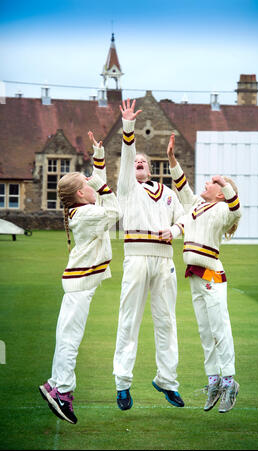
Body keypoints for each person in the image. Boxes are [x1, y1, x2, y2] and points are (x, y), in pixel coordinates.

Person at [39, 135, 121, 424]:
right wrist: (102, 185)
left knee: (66, 335)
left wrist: (98, 154)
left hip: (79, 281)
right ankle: (62, 390)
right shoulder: (86, 213)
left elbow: (98, 186)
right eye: (87, 185)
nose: (92, 186)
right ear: (81, 195)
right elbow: (115, 211)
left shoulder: (83, 208)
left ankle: (55, 384)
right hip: (81, 282)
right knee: (70, 339)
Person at [113, 99, 185, 410]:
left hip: (164, 260)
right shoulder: (127, 188)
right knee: (129, 319)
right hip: (137, 257)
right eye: (134, 161)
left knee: (166, 320)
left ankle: (167, 380)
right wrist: (128, 128)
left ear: (151, 167)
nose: (138, 162)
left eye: (143, 161)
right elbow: (129, 152)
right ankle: (122, 383)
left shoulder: (168, 193)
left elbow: (184, 218)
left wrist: (176, 231)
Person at [167, 133, 242, 413]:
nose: (206, 184)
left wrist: (226, 185)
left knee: (219, 327)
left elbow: (236, 212)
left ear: (220, 192)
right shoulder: (196, 205)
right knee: (204, 329)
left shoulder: (223, 208)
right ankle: (213, 380)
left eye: (211, 183)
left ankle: (230, 380)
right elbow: (181, 185)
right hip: (195, 275)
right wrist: (172, 159)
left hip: (212, 274)